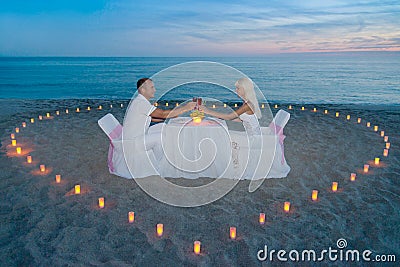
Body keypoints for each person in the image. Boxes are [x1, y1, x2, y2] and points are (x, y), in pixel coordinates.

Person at [124, 78, 196, 159]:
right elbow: (162, 114)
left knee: (163, 127)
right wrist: (186, 107)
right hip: (132, 141)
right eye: (152, 87)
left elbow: (152, 118)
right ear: (143, 89)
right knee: (159, 137)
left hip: (136, 136)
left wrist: (170, 117)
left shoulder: (140, 101)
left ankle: (172, 153)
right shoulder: (141, 103)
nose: (154, 90)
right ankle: (160, 164)